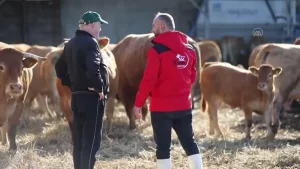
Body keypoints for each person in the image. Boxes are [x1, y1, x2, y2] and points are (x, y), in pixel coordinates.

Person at [133, 12, 204, 169]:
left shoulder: (157, 51)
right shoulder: (190, 49)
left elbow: (148, 80)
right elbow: (192, 76)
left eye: (154, 26)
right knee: (189, 142)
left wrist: (139, 102)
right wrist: (183, 91)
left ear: (162, 26)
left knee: (163, 148)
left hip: (161, 108)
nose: (152, 29)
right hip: (184, 106)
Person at [55, 11, 109, 169]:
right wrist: (99, 88)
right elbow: (93, 68)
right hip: (92, 98)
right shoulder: (91, 43)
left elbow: (59, 68)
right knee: (91, 142)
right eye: (99, 26)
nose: (100, 30)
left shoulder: (70, 43)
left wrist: (72, 85)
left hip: (77, 97)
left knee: (78, 141)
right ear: (92, 25)